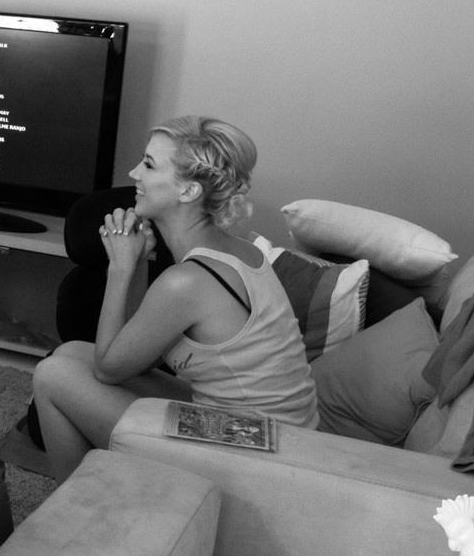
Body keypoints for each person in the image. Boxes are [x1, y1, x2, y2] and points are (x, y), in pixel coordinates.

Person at [29, 115, 318, 479]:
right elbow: (131, 353)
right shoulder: (243, 251)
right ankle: (101, 494)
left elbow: (108, 369)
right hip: (273, 435)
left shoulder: (187, 281)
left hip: (254, 457)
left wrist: (119, 268)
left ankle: (79, 515)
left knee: (53, 374)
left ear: (188, 191)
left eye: (149, 165)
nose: (134, 173)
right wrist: (136, 261)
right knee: (70, 353)